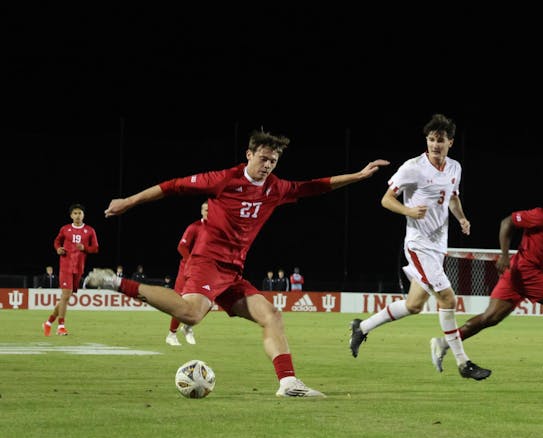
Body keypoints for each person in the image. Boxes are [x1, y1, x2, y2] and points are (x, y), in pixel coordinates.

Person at [85, 129, 389, 398]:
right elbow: (172, 186)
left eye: (273, 161)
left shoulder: (275, 188)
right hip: (207, 261)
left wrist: (359, 176)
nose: (268, 165)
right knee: (191, 314)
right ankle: (116, 282)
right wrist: (129, 201)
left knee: (271, 315)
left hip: (232, 271)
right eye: (263, 158)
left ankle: (289, 383)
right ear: (249, 155)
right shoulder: (224, 180)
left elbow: (314, 186)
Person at [348, 113, 491, 380]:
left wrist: (462, 218)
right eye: (431, 139)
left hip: (438, 246)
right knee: (449, 298)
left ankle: (362, 327)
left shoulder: (455, 168)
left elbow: (452, 197)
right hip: (418, 245)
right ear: (427, 140)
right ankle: (463, 363)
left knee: (414, 305)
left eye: (441, 140)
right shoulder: (412, 167)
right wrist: (409, 210)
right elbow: (386, 200)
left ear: (450, 142)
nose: (435, 145)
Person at [430, 182, 543, 375]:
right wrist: (503, 255)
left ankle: (444, 342)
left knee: (490, 318)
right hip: (526, 271)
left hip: (516, 273)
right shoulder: (542, 215)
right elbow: (507, 222)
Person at [42, 203, 99, 336]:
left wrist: (85, 248)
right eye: (75, 213)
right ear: (71, 215)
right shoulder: (65, 229)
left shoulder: (90, 230)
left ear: (83, 215)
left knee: (65, 298)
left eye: (80, 213)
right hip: (65, 266)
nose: (77, 215)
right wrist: (58, 249)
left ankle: (48, 322)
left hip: (78, 268)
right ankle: (61, 327)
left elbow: (95, 248)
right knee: (66, 296)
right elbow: (56, 242)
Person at [166, 200, 208, 346]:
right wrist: (191, 261)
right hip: (188, 269)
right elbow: (182, 247)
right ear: (201, 211)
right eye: (205, 209)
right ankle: (171, 334)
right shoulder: (194, 227)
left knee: (209, 302)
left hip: (206, 271)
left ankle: (188, 327)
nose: (207, 212)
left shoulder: (218, 229)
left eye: (210, 210)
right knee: (181, 302)